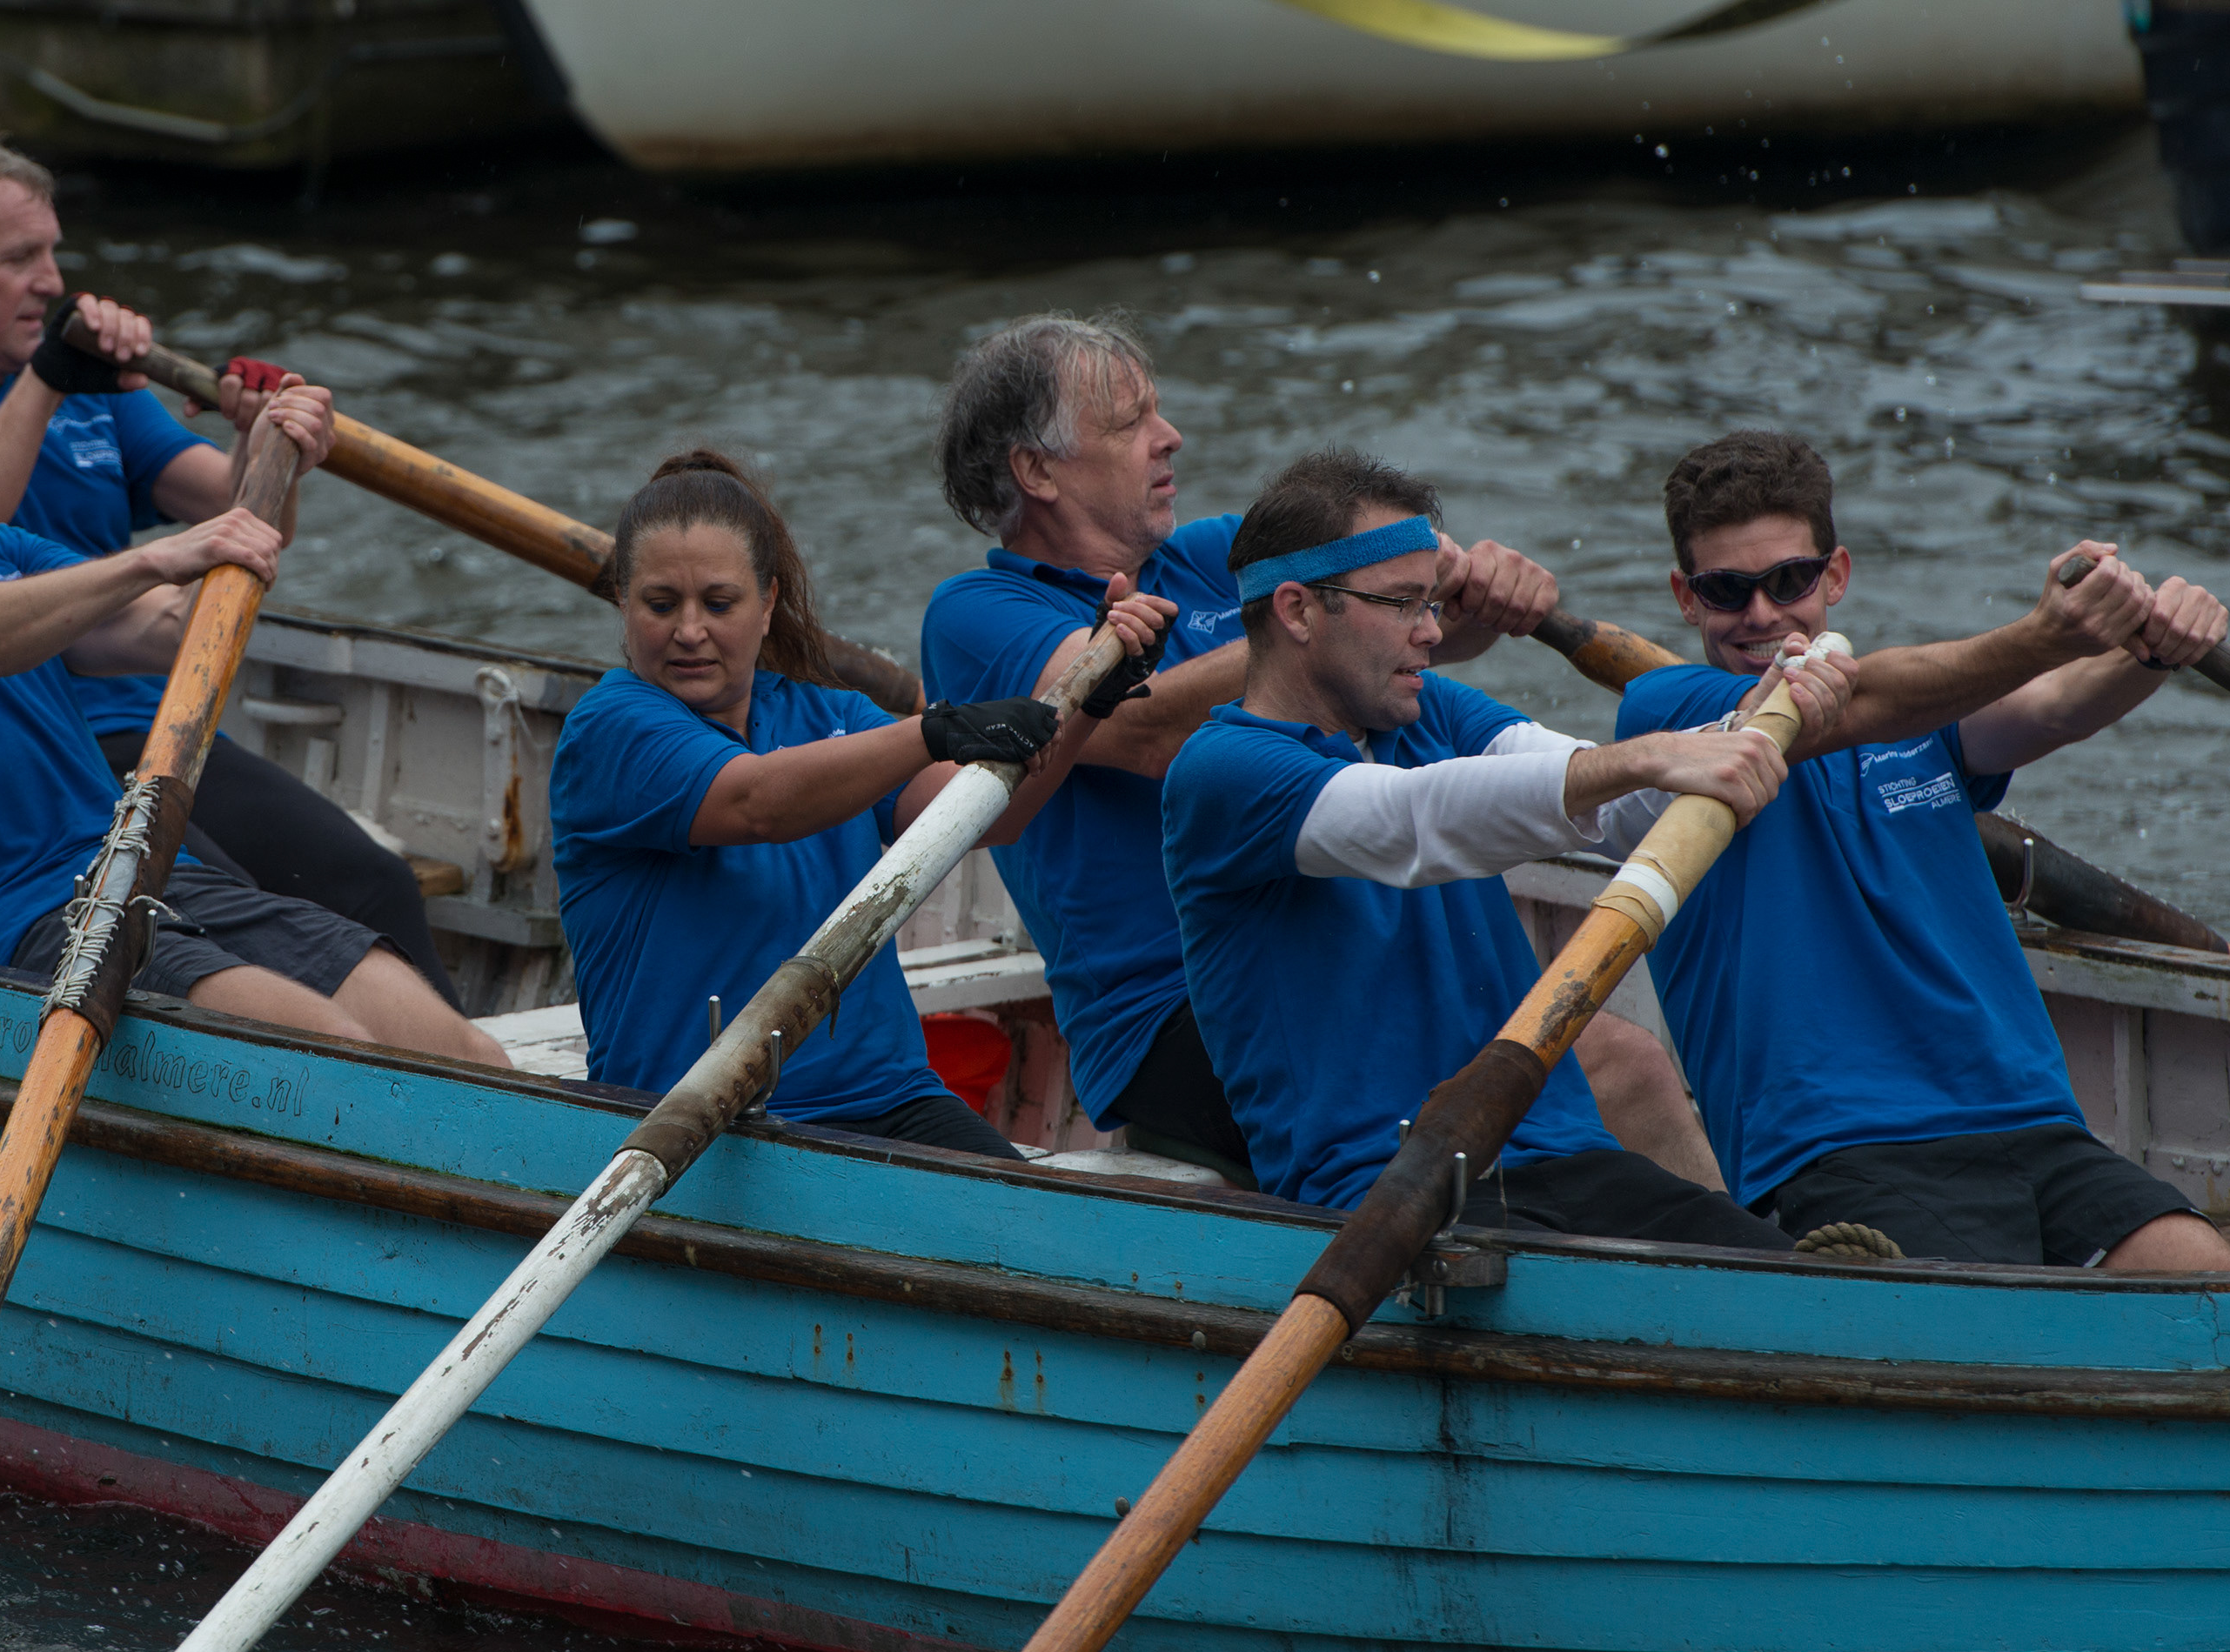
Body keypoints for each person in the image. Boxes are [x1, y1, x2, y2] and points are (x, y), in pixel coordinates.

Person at [921, 314, 1713, 1186]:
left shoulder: (1215, 553)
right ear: (1036, 472)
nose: (1169, 436)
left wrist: (1464, 596)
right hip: (1175, 1010)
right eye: (1129, 422)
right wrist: (1342, 605)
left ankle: (1734, 1249)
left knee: (1631, 1063)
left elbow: (1399, 649)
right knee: (1587, 1068)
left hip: (1344, 935)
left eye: (1158, 411)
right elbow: (1135, 727)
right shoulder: (977, 613)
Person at [0, 310, 506, 1067]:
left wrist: (270, 465)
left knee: (468, 1056)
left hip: (154, 874)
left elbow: (177, 630)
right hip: (9, 933)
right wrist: (155, 556)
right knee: (334, 1050)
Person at [1616, 431, 2230, 1270]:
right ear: (1685, 597)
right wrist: (2047, 632)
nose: (1763, 614)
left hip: (2034, 1123)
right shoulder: (1663, 717)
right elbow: (1876, 700)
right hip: (1846, 1151)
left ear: (1835, 576)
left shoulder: (1923, 718)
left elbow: (2054, 707)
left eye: (1789, 580)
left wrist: (2158, 647)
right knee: (2006, 1334)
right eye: (1727, 590)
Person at [1160, 450, 1828, 1247]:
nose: (1432, 631)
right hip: (1389, 1193)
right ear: (1298, 611)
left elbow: (1616, 807)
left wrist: (1740, 729)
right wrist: (1653, 753)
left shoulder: (1431, 710)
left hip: (1567, 1154)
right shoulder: (1223, 771)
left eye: (1432, 601)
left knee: (1796, 1279)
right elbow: (1413, 822)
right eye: (1402, 603)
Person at [0, 130, 459, 1007]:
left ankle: (450, 1074)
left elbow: (243, 520)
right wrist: (48, 378)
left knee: (373, 884)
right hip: (34, 752)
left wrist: (267, 440)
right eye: (20, 258)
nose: (53, 282)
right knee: (236, 929)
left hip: (166, 723)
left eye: (53, 253)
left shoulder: (100, 399)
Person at [552, 451, 1166, 1159]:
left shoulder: (833, 717)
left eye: (719, 604)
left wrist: (1092, 704)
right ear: (623, 603)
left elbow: (993, 816)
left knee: (1033, 1217)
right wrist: (932, 731)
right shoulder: (609, 728)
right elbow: (757, 801)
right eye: (662, 605)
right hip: (696, 1119)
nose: (690, 631)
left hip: (890, 1099)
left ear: (767, 604)